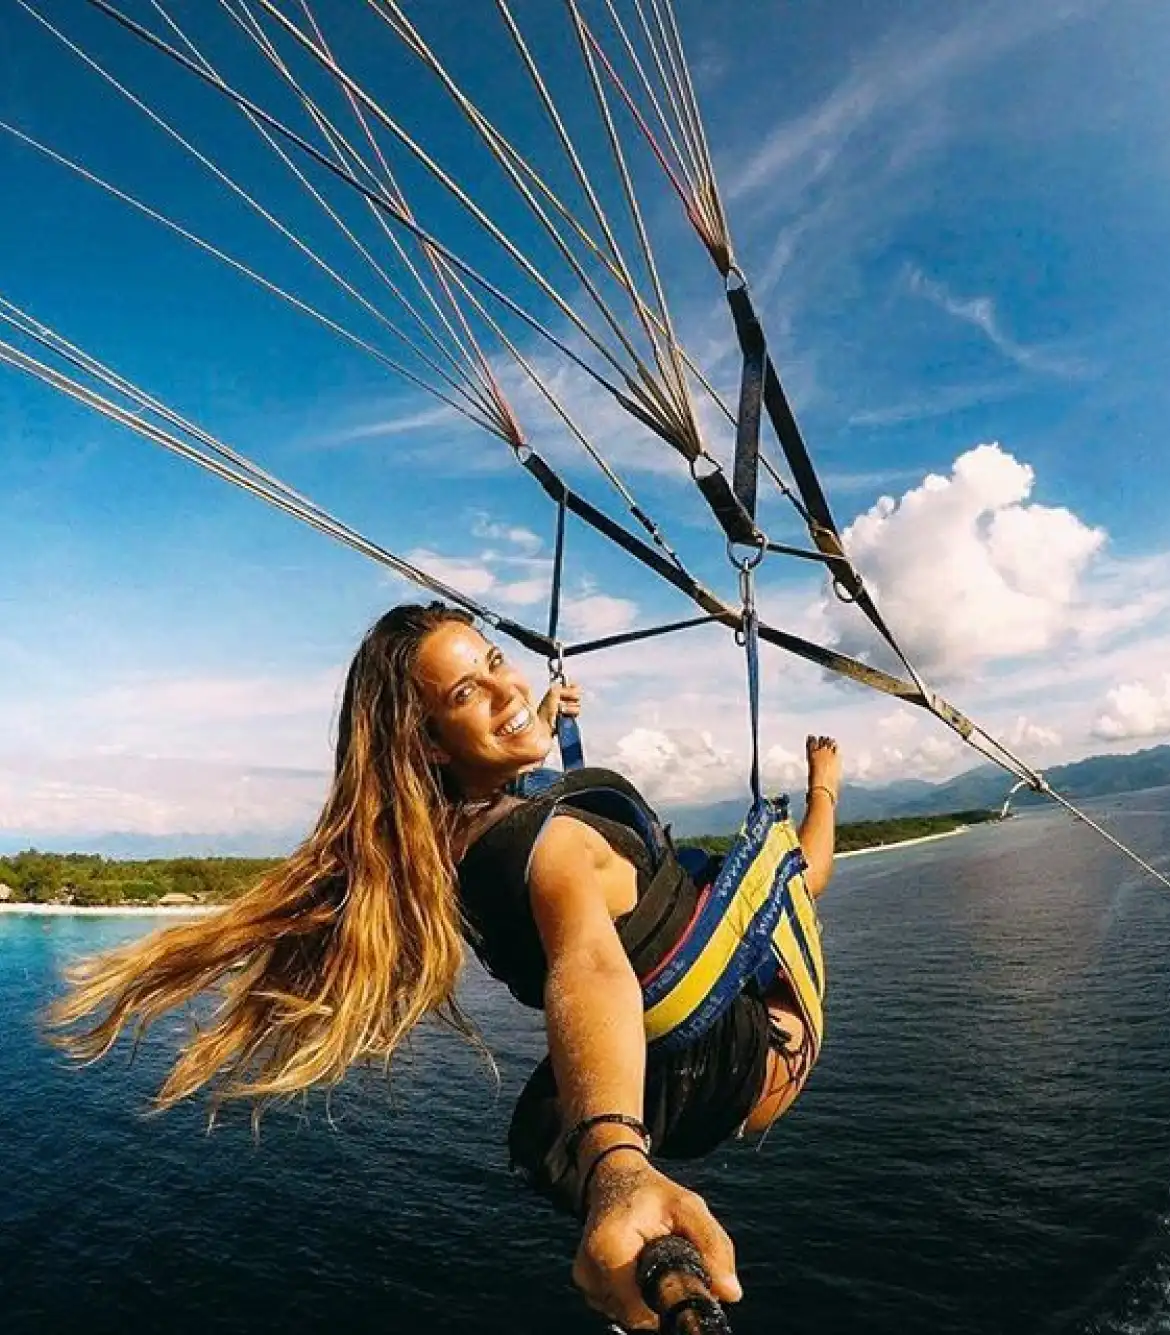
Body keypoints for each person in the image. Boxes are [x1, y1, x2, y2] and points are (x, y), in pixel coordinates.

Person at [49, 602, 840, 1331]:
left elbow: (524, 806)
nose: (506, 689)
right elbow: (589, 964)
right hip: (752, 1049)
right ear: (429, 742)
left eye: (498, 661)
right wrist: (618, 1163)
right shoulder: (549, 849)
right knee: (791, 871)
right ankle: (826, 790)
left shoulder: (449, 839)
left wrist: (545, 719)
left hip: (687, 1082)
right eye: (468, 692)